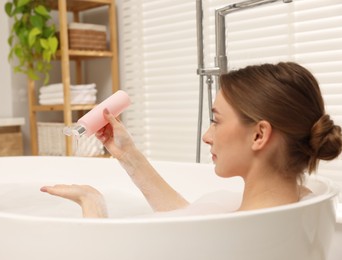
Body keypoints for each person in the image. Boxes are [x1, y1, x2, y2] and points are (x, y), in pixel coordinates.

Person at [40, 62, 342, 218]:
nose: (206, 136)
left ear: (259, 135)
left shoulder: (233, 232)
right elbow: (188, 220)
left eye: (216, 120)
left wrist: (92, 203)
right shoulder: (300, 200)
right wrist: (128, 154)